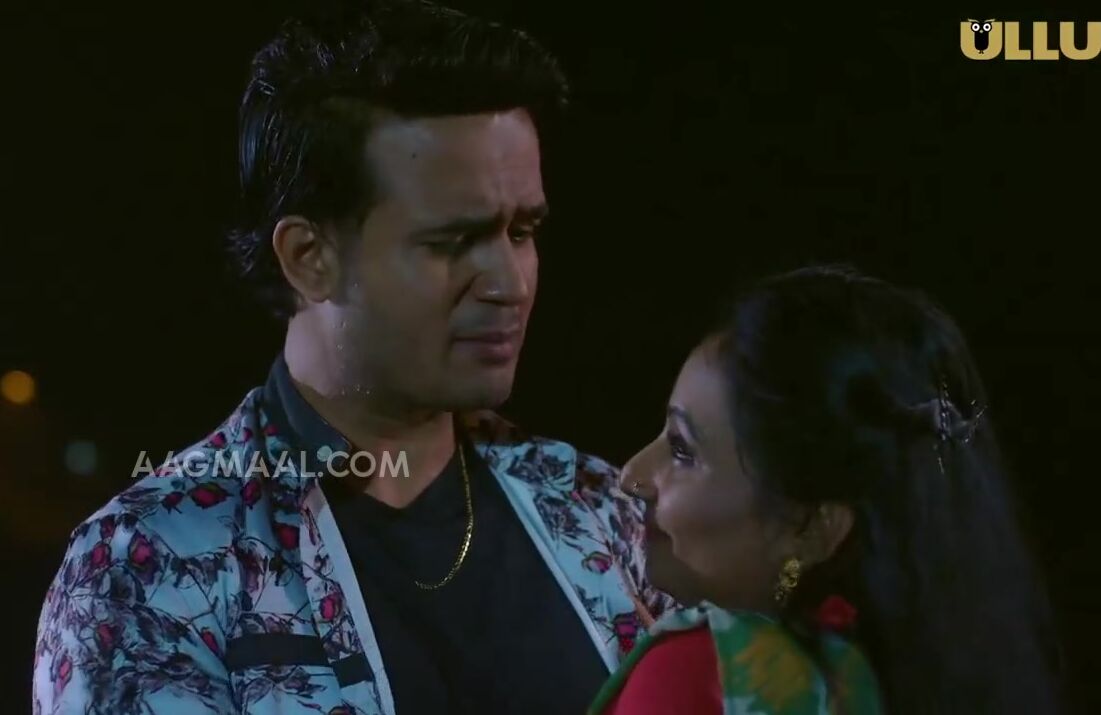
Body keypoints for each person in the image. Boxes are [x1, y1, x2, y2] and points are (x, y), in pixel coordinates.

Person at [32, 3, 672, 713]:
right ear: (309, 257)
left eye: (521, 232)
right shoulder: (151, 566)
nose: (509, 283)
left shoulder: (598, 510)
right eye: (452, 241)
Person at [589, 266, 1062, 714]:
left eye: (682, 449)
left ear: (811, 527)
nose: (631, 476)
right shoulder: (934, 682)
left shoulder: (704, 677)